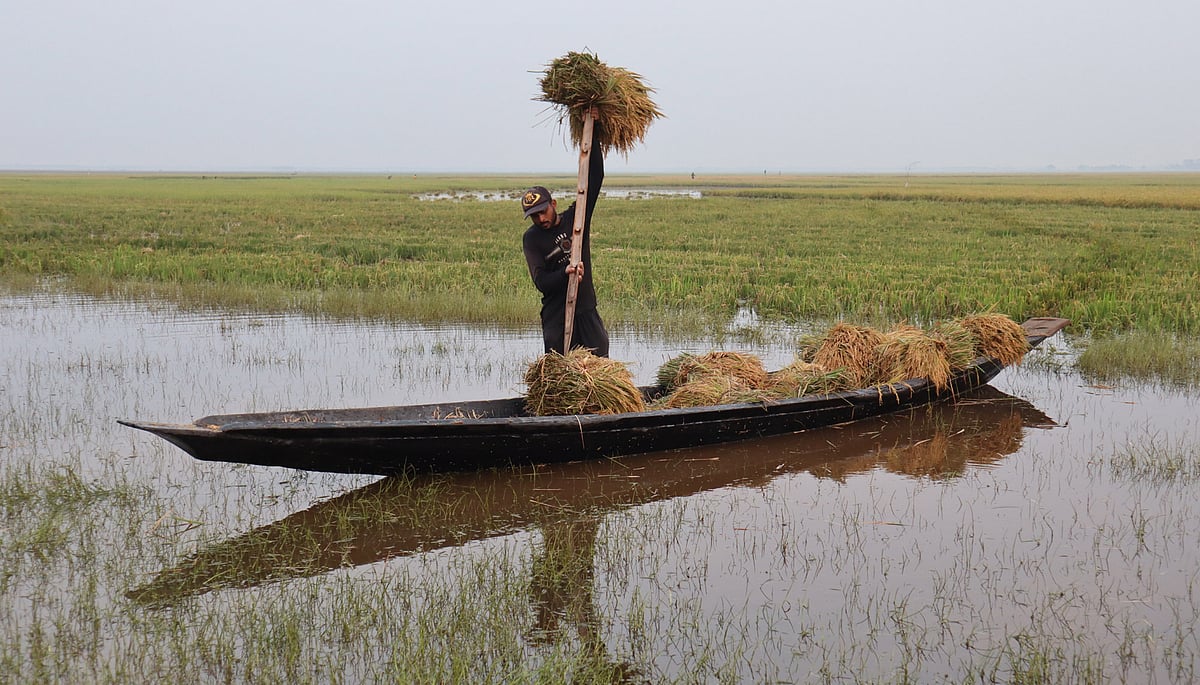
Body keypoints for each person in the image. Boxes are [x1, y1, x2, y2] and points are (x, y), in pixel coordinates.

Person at [520, 119, 610, 357]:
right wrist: (565, 273)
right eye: (533, 216)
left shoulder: (576, 219)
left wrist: (594, 133)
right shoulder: (532, 239)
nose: (540, 219)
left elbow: (594, 180)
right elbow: (541, 281)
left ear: (554, 205)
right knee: (560, 375)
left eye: (542, 212)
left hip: (585, 309)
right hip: (556, 318)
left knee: (599, 371)